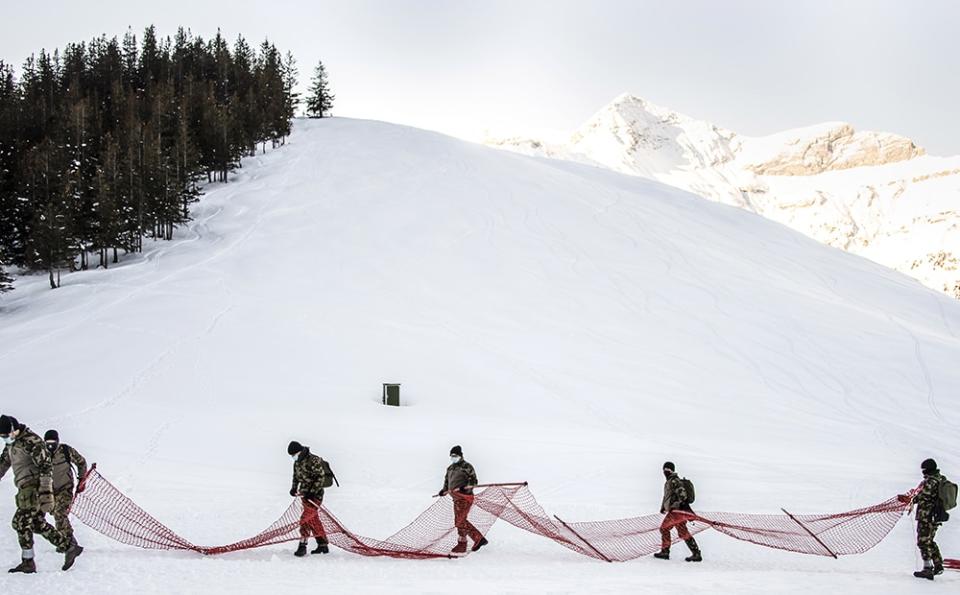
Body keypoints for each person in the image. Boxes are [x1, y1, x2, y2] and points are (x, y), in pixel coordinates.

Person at [0, 415, 83, 573]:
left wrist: (46, 492)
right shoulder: (11, 445)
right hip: (24, 489)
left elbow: (46, 466)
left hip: (35, 489)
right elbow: (3, 463)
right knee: (37, 523)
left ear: (14, 430)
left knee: (20, 522)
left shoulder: (32, 441)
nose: (4, 439)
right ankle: (68, 546)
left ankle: (28, 563)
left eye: (5, 435)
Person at [900, 458, 947, 580]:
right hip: (936, 516)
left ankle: (927, 568)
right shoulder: (940, 478)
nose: (923, 472)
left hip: (927, 516)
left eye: (924, 469)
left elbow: (924, 497)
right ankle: (938, 565)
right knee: (929, 540)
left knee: (923, 541)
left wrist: (909, 499)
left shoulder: (930, 482)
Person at [437, 445, 488, 554]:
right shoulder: (450, 468)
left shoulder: (466, 466)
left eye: (455, 456)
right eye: (451, 456)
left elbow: (473, 481)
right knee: (460, 520)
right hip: (455, 498)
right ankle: (469, 542)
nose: (453, 458)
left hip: (465, 497)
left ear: (460, 456)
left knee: (459, 521)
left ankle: (473, 540)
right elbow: (447, 482)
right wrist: (444, 490)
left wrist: (465, 488)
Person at [44, 430, 88, 549]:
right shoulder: (41, 453)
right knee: (53, 514)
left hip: (65, 488)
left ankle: (70, 542)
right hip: (49, 491)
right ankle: (64, 541)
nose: (50, 445)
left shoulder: (65, 451)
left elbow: (81, 461)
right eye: (48, 442)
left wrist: (81, 478)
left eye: (53, 442)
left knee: (60, 513)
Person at [653, 461, 702, 562]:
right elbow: (667, 497)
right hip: (674, 512)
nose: (665, 471)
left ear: (672, 470)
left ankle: (665, 552)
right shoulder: (669, 481)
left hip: (676, 512)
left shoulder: (675, 480)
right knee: (682, 532)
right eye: (664, 469)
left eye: (667, 469)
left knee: (664, 528)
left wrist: (675, 506)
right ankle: (696, 553)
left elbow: (683, 495)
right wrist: (663, 507)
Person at [288, 440, 329, 557]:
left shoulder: (313, 460)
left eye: (294, 455)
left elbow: (320, 478)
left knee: (305, 518)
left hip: (315, 495)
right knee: (313, 519)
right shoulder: (297, 463)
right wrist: (294, 488)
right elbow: (295, 477)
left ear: (300, 451)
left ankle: (302, 545)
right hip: (304, 495)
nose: (293, 457)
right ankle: (322, 545)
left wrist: (312, 492)